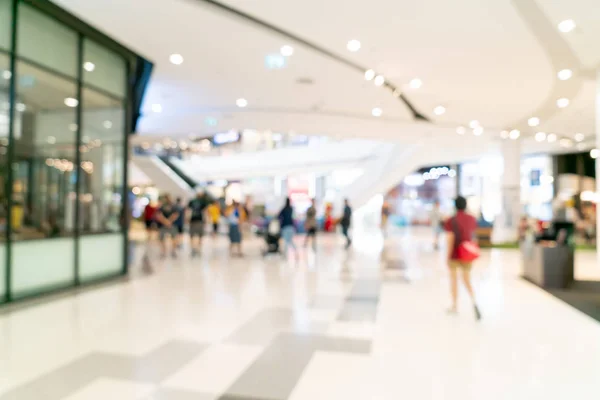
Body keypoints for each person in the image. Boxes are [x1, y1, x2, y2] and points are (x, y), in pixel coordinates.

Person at [443, 196, 481, 321]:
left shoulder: (451, 220)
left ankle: (454, 306)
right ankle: (474, 300)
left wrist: (448, 255)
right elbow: (473, 236)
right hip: (466, 253)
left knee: (454, 280)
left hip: (455, 253)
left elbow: (450, 238)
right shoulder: (471, 219)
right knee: (466, 279)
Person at [188, 190, 210, 256]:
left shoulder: (193, 201)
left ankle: (195, 249)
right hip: (197, 220)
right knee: (197, 235)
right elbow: (205, 211)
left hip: (195, 220)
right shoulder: (202, 202)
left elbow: (188, 210)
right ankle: (196, 249)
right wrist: (206, 220)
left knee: (194, 235)